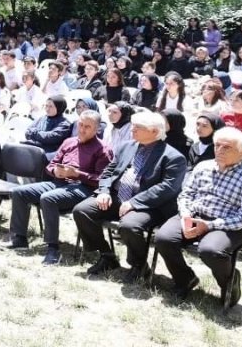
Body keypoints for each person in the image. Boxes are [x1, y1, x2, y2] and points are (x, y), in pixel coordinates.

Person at [153, 129, 242, 308]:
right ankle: (185, 279)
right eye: (217, 145)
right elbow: (186, 194)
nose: (219, 150)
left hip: (228, 225)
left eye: (226, 147)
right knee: (163, 238)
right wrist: (186, 215)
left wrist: (209, 225)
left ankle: (229, 284)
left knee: (210, 251)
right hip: (195, 214)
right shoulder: (203, 166)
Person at [74, 111, 188, 282]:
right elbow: (108, 172)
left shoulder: (173, 157)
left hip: (149, 205)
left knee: (129, 225)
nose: (132, 129)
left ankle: (139, 265)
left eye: (138, 127)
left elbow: (167, 188)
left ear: (154, 131)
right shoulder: (127, 146)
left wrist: (135, 202)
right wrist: (104, 191)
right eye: (133, 126)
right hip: (117, 196)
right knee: (82, 210)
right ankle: (106, 255)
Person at [6, 110, 113, 264]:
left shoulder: (103, 149)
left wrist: (77, 174)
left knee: (48, 198)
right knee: (19, 192)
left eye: (87, 127)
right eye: (80, 125)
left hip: (84, 188)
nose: (82, 129)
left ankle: (53, 248)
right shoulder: (69, 142)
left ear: (97, 129)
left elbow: (102, 180)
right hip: (59, 182)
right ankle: (19, 238)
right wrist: (55, 170)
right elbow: (51, 165)